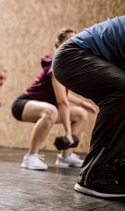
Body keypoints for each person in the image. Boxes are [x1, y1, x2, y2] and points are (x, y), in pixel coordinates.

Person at [52, 16, 125, 198]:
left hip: (83, 56)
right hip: (72, 56)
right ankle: (93, 176)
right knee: (122, 93)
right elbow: (62, 101)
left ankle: (117, 171)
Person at [11, 28, 97, 171]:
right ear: (58, 43)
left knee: (81, 114)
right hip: (23, 104)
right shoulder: (55, 62)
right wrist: (68, 133)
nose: (72, 44)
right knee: (51, 111)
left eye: (75, 42)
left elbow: (63, 94)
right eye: (68, 41)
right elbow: (61, 101)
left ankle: (66, 155)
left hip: (46, 107)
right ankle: (30, 157)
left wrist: (82, 103)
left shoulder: (65, 66)